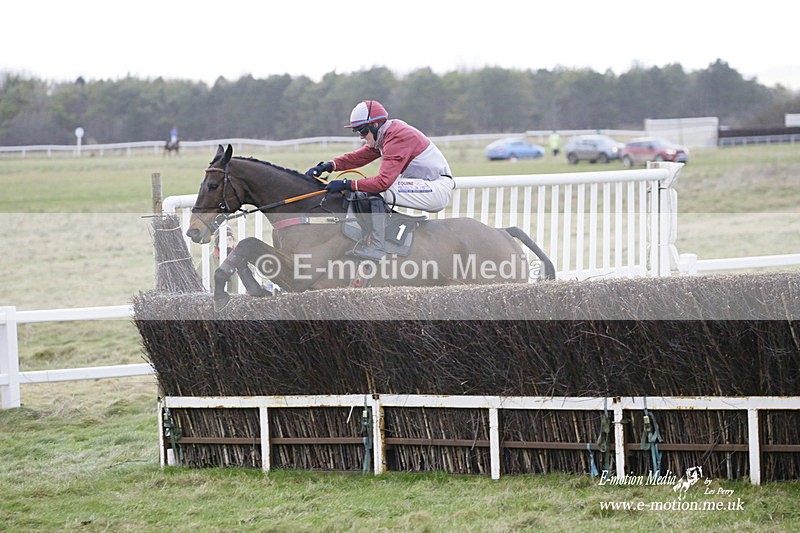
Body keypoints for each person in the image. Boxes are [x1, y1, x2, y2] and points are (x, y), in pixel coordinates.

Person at [305, 100, 454, 260]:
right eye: (357, 131)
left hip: (436, 188)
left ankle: (377, 247)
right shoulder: (386, 133)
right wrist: (329, 165)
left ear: (375, 124)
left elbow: (383, 182)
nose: (361, 136)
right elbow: (359, 156)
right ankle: (374, 238)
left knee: (376, 189)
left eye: (362, 130)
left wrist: (347, 184)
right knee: (366, 189)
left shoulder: (397, 136)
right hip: (426, 184)